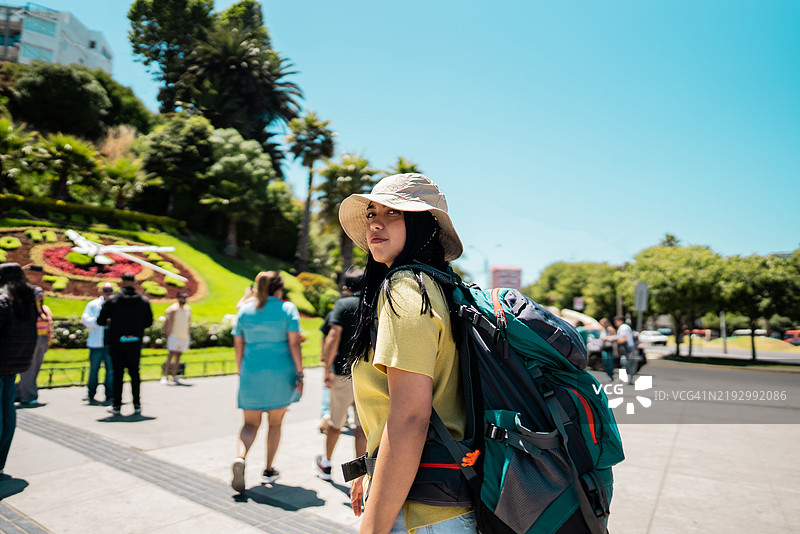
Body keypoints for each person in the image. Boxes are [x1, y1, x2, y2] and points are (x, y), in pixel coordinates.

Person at [338, 173, 477, 533]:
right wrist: (370, 468)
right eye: (372, 213)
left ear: (423, 225)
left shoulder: (405, 288)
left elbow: (411, 418)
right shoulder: (439, 284)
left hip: (421, 511)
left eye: (394, 213)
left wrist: (373, 527)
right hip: (436, 499)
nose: (377, 222)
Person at [231, 271, 304, 493]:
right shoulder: (287, 309)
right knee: (275, 424)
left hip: (251, 372)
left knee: (249, 424)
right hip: (280, 373)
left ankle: (240, 457)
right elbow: (294, 344)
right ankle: (269, 468)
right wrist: (300, 373)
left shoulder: (245, 310)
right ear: (279, 289)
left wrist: (240, 370)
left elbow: (238, 345)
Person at [315, 269, 367, 481]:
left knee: (335, 423)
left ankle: (326, 463)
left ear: (346, 288)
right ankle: (360, 474)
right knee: (362, 427)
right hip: (367, 375)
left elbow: (333, 334)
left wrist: (326, 368)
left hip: (344, 373)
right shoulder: (374, 304)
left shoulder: (343, 305)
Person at [97, 273, 153, 416]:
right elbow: (149, 322)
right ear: (134, 283)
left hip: (117, 342)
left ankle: (116, 405)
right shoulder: (143, 301)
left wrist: (113, 322)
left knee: (118, 374)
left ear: (121, 282)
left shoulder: (113, 300)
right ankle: (137, 405)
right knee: (135, 373)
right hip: (135, 342)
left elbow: (101, 321)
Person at [0, 263, 37, 474]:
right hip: (15, 363)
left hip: (2, 361)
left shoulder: (4, 301)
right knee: (8, 411)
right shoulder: (27, 301)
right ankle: (1, 462)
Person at [15, 286, 52, 406]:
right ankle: (29, 395)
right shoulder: (28, 308)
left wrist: (49, 341)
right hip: (31, 339)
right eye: (37, 292)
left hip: (42, 339)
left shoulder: (45, 308)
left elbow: (49, 325)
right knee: (28, 369)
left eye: (42, 292)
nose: (40, 294)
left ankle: (20, 392)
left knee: (36, 368)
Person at [81, 283, 115, 404]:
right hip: (96, 343)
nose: (108, 292)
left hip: (110, 343)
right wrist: (101, 322)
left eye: (110, 290)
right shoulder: (93, 304)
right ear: (102, 291)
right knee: (94, 369)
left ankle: (110, 394)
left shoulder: (115, 305)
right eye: (106, 290)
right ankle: (91, 393)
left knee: (110, 371)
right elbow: (85, 319)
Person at [162, 291, 191, 385]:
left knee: (178, 356)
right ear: (178, 298)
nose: (184, 300)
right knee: (170, 356)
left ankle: (174, 376)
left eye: (185, 298)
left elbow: (188, 323)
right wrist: (167, 334)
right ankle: (165, 375)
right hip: (174, 335)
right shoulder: (172, 309)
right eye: (182, 297)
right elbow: (167, 323)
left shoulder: (188, 309)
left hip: (183, 335)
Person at [614, 316, 637, 384]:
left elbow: (623, 339)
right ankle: (628, 379)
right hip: (629, 347)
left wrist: (614, 341)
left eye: (616, 321)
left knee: (625, 362)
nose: (615, 323)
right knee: (626, 363)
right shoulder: (626, 327)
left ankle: (627, 379)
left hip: (627, 348)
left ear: (620, 321)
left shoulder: (623, 327)